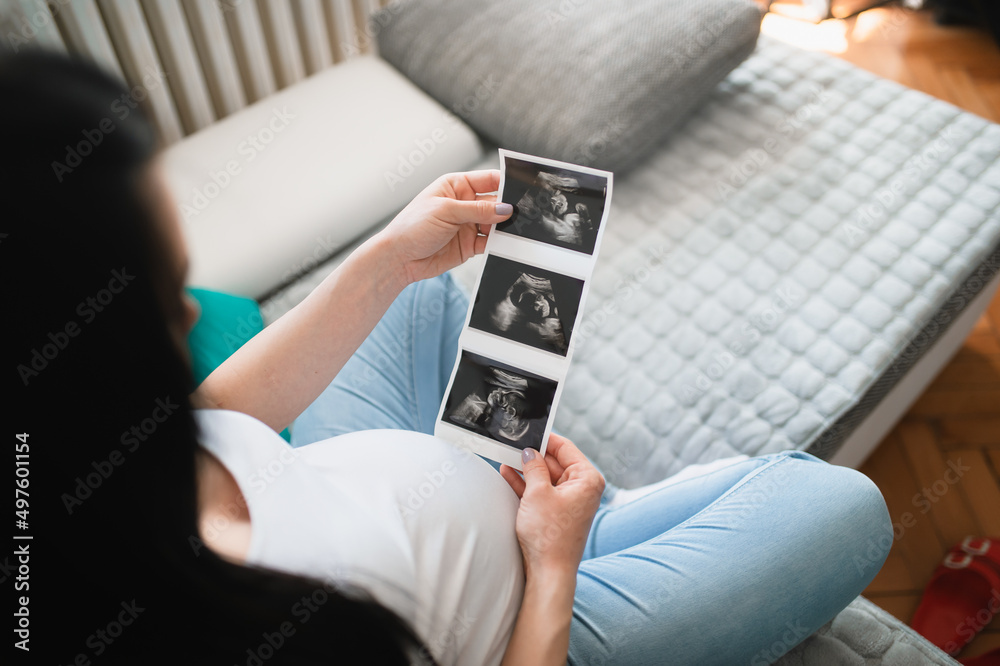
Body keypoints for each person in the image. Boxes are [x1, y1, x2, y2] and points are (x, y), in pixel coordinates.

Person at [7, 50, 893, 665]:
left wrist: (386, 258)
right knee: (840, 502)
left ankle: (569, 508)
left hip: (357, 477)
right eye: (169, 301)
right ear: (94, 370)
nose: (198, 312)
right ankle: (594, 528)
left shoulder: (83, 459)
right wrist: (549, 563)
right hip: (525, 623)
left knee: (419, 289)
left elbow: (218, 423)